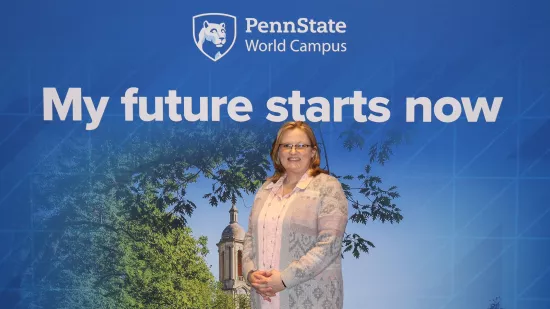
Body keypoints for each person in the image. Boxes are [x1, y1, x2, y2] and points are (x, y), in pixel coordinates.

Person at [242, 121, 349, 309]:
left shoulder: (328, 187)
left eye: (301, 145)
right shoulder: (264, 191)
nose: (293, 151)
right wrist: (250, 274)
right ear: (278, 151)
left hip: (311, 299)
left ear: (313, 152)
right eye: (286, 145)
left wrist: (283, 280)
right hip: (263, 299)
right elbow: (250, 237)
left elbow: (329, 245)